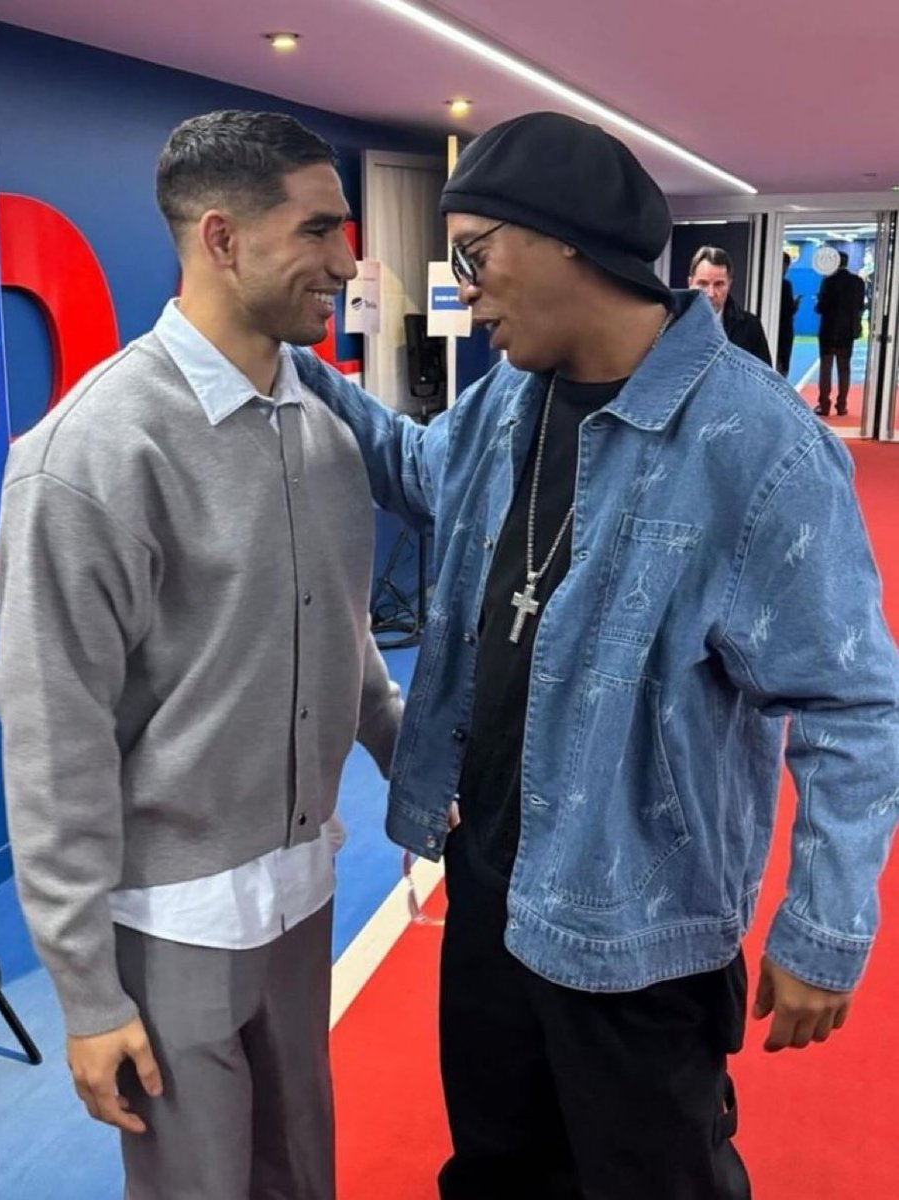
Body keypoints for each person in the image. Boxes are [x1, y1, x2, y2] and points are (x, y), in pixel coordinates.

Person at [290, 112, 899, 1199]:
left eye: (477, 254)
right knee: (495, 1167)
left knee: (649, 1179)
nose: (466, 286)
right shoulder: (511, 397)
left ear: (566, 241)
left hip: (642, 926)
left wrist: (826, 923)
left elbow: (853, 705)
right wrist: (281, 360)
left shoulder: (756, 446)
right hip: (488, 886)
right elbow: (422, 471)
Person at [0, 110, 402, 1200]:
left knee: (300, 1174)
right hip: (172, 920)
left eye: (346, 229)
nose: (346, 262)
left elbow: (343, 639)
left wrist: (422, 771)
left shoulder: (321, 435)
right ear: (221, 238)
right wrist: (86, 993)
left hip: (303, 891)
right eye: (319, 231)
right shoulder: (90, 454)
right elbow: (53, 738)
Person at [689, 244, 772, 365]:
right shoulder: (671, 325)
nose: (710, 293)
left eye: (719, 284)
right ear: (690, 283)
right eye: (703, 283)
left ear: (729, 285)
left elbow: (764, 380)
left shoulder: (750, 328)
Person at [814, 250, 866, 416]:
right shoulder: (858, 282)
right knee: (844, 369)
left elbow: (821, 307)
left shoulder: (828, 281)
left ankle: (824, 404)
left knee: (826, 369)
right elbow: (860, 306)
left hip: (828, 331)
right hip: (847, 332)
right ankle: (842, 405)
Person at [777, 251, 800, 376]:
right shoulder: (785, 285)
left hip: (783, 329)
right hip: (784, 330)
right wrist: (795, 305)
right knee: (782, 363)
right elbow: (788, 309)